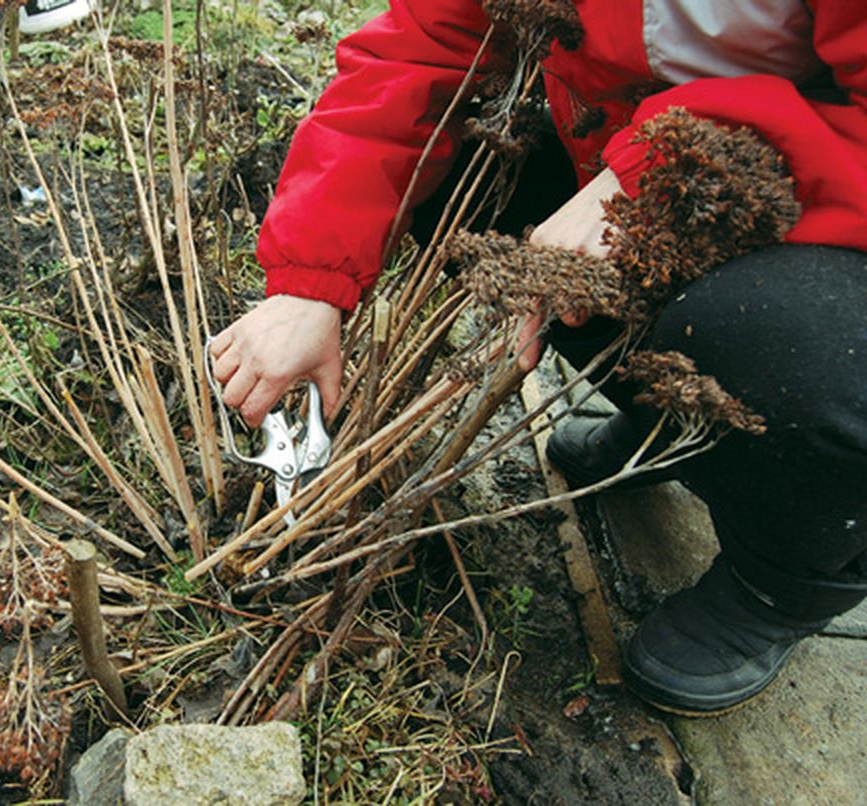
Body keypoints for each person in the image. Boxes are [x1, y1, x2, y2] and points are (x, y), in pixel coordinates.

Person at [207, 1, 867, 716]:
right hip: (639, 158)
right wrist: (310, 282)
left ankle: (788, 579)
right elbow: (421, 50)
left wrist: (666, 164)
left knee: (786, 349)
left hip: (828, 205)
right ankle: (672, 422)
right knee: (476, 160)